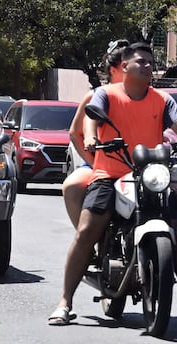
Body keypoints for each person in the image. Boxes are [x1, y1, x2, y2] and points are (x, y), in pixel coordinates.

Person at [48, 42, 177, 326]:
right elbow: (91, 119)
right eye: (141, 62)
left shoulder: (162, 99)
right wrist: (91, 138)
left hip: (150, 175)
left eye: (151, 62)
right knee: (86, 230)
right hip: (110, 174)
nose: (148, 66)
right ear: (125, 66)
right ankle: (64, 302)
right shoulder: (105, 94)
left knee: (176, 231)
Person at [62, 39, 129, 229]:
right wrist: (93, 162)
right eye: (124, 65)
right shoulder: (95, 96)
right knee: (71, 187)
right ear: (112, 69)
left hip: (138, 167)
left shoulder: (146, 96)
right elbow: (76, 134)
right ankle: (86, 243)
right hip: (101, 166)